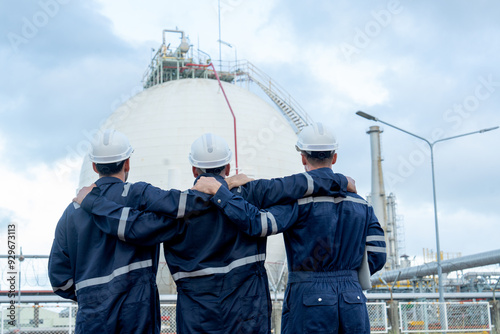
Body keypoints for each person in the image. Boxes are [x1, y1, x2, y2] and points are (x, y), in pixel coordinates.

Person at [74, 132, 354, 333]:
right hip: (249, 307)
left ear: (194, 168)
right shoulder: (253, 194)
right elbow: (294, 185)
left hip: (197, 311)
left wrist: (91, 202)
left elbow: (134, 227)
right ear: (229, 167)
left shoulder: (176, 211)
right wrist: (339, 179)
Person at [193, 122, 387, 333]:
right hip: (353, 299)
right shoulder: (362, 204)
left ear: (303, 157)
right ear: (335, 157)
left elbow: (258, 224)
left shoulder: (298, 202)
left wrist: (222, 195)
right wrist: (346, 275)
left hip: (309, 297)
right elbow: (378, 255)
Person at [48, 129, 212, 334]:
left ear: (93, 165)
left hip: (92, 318)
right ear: (127, 163)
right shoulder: (139, 195)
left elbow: (59, 280)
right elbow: (184, 206)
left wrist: (92, 295)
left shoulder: (71, 213)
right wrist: (222, 189)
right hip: (137, 313)